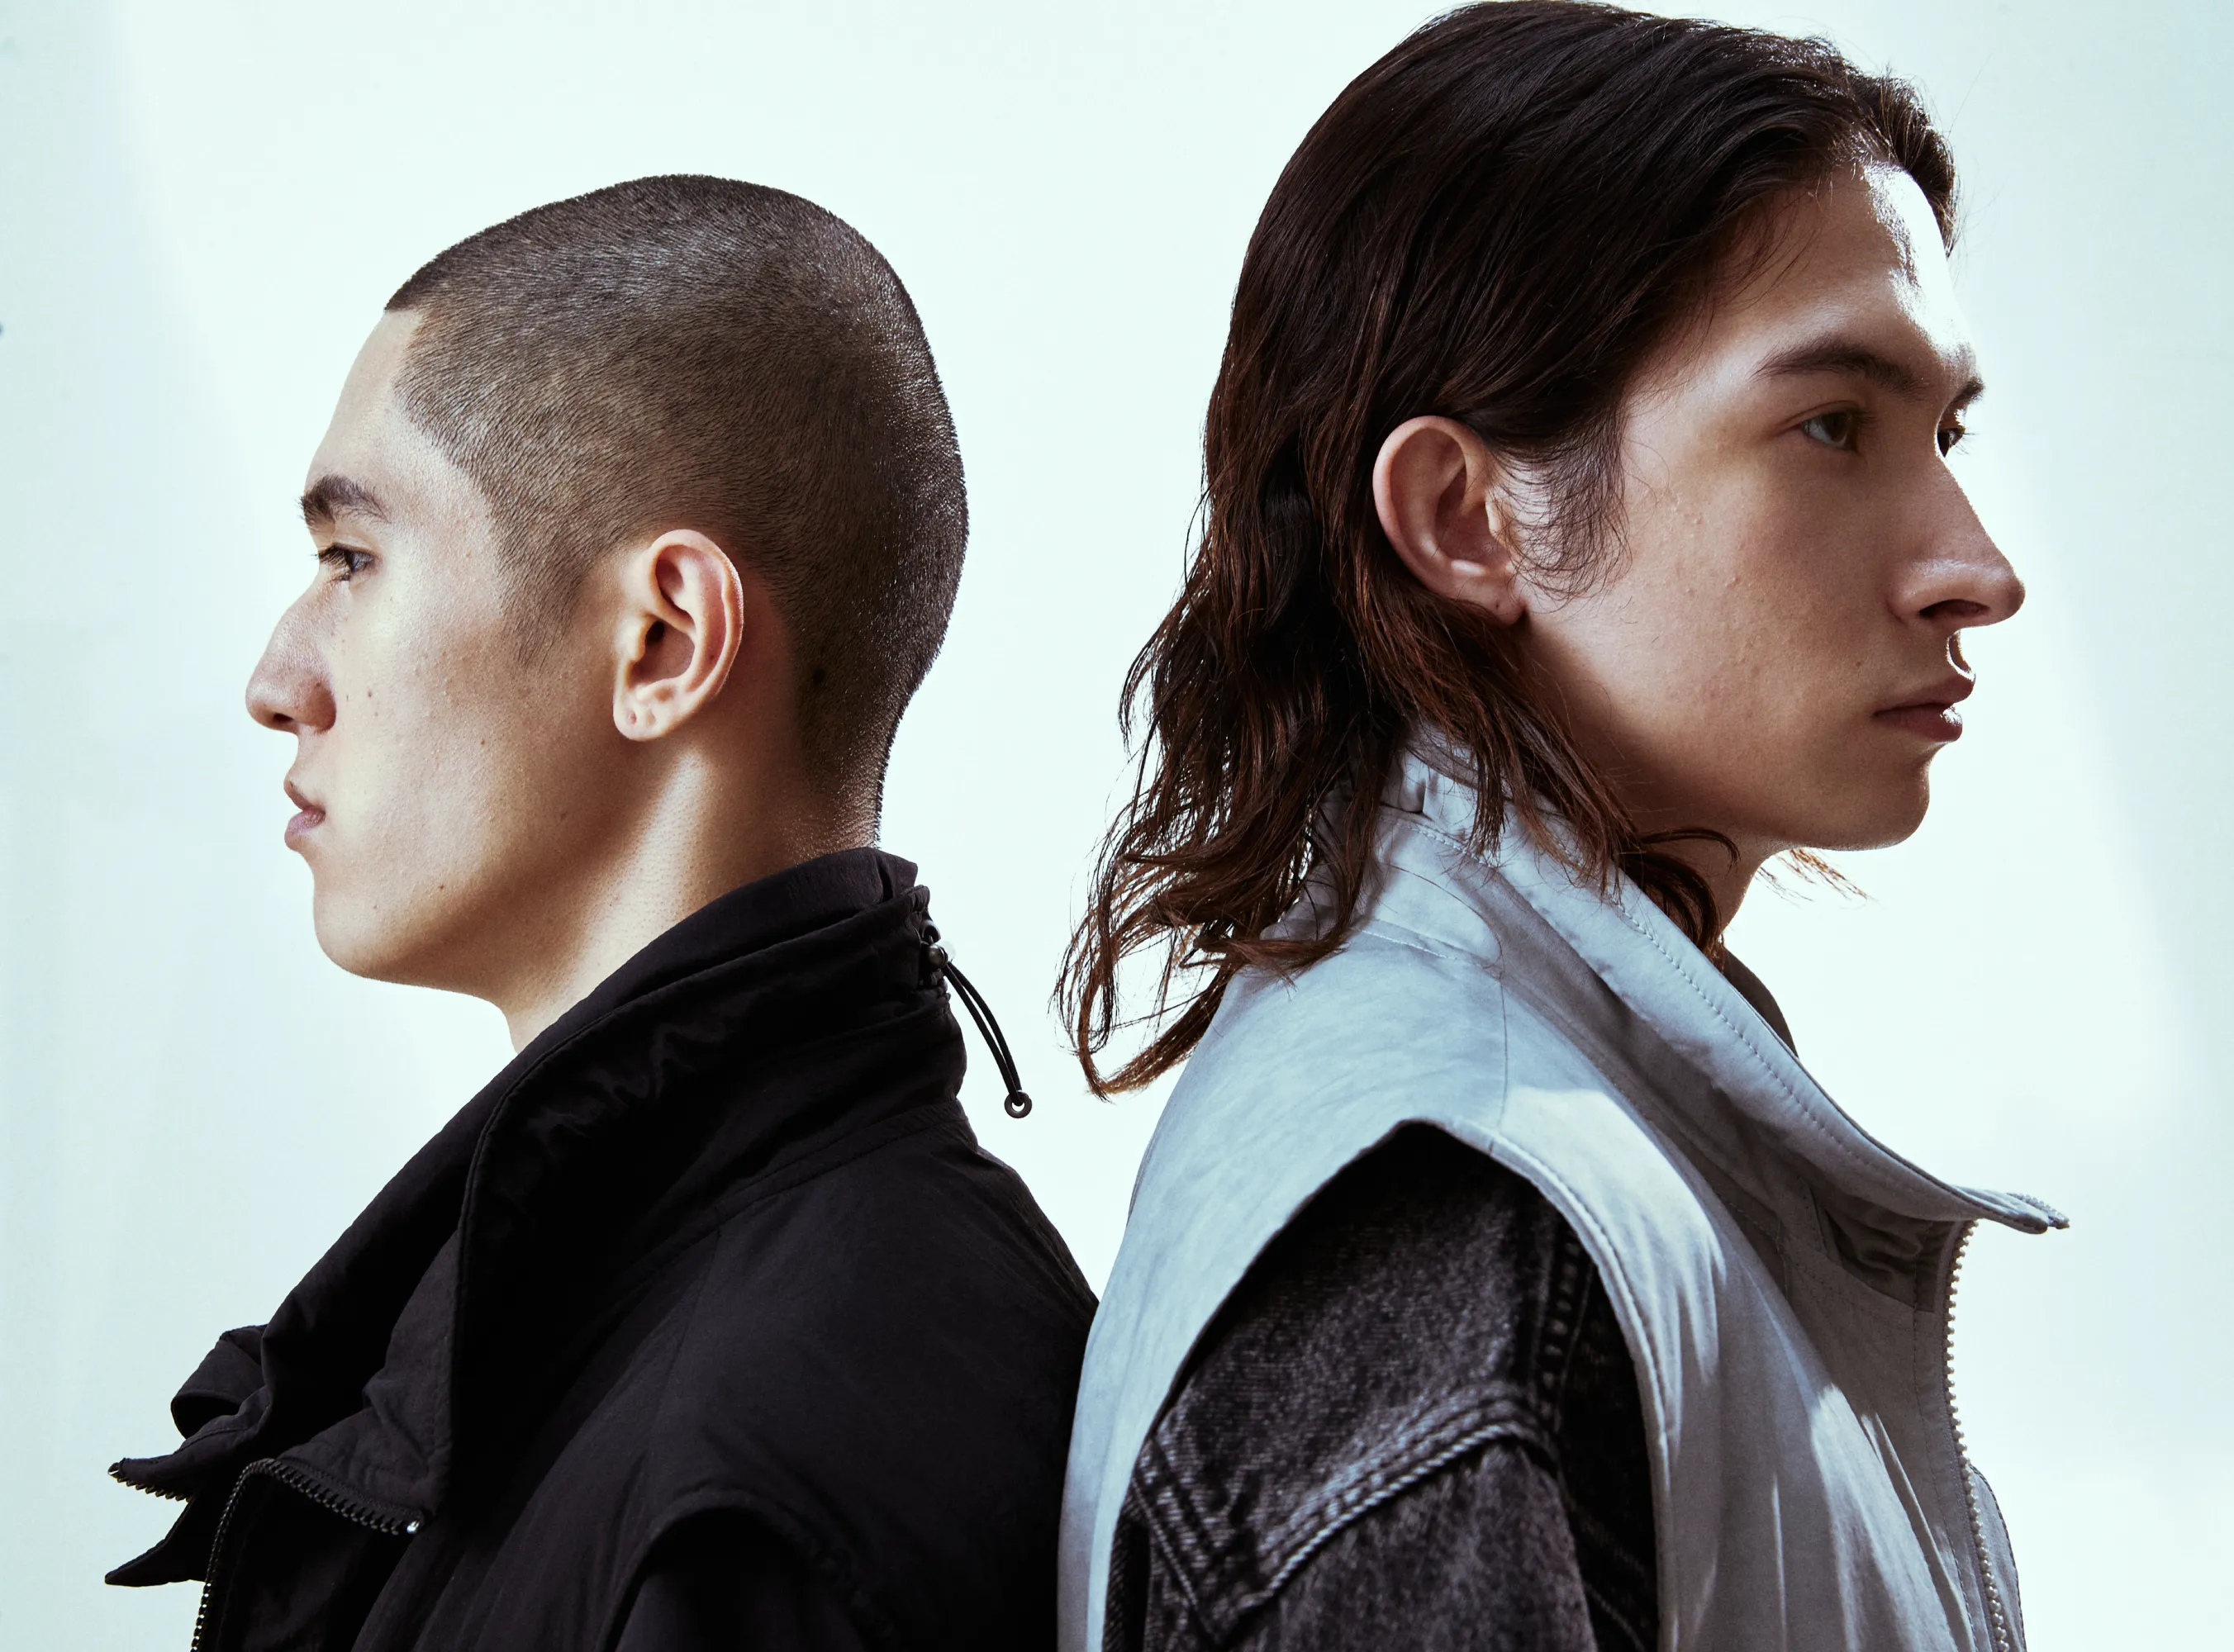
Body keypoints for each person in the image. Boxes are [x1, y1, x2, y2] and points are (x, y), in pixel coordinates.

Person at [1058, 7, 2062, 1650]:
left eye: (1940, 434)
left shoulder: (1585, 1142)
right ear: (1466, 518)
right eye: (1832, 424)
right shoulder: (1451, 1214)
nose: (1977, 569)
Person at [107, 175, 1095, 1652]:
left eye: (352, 559)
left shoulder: (774, 1472)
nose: (276, 681)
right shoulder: (652, 1319)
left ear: (663, 641)